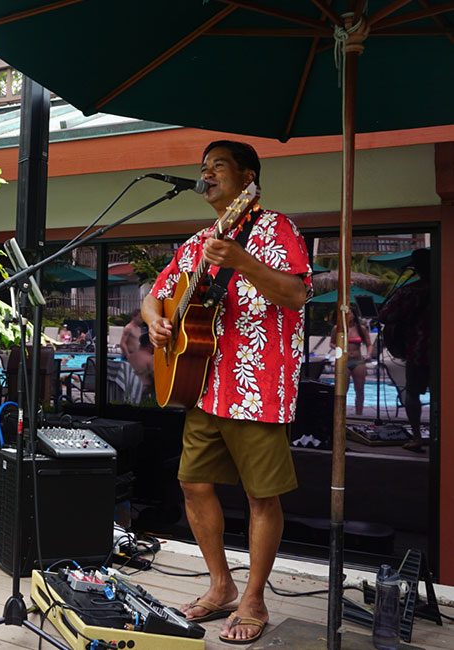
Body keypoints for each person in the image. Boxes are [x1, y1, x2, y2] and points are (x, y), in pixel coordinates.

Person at [141, 141, 312, 644]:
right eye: (202, 168)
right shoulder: (197, 241)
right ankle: (221, 586)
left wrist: (242, 261)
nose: (206, 174)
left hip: (257, 385)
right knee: (193, 483)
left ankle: (255, 599)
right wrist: (156, 324)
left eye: (217, 166)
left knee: (261, 496)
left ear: (247, 178)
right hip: (203, 384)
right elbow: (156, 297)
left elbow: (298, 293)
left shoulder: (276, 228)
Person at [378, 248, 431, 452]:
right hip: (444, 353)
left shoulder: (411, 290)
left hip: (419, 349)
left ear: (415, 268)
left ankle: (417, 437)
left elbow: (385, 315)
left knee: (412, 393)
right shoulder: (446, 287)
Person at [330, 305, 372, 416]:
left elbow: (369, 344)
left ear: (354, 315)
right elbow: (332, 343)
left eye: (350, 313)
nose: (348, 316)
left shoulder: (361, 329)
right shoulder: (337, 328)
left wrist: (368, 355)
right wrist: (338, 348)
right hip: (344, 361)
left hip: (358, 361)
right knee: (342, 390)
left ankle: (359, 414)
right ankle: (340, 415)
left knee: (359, 389)